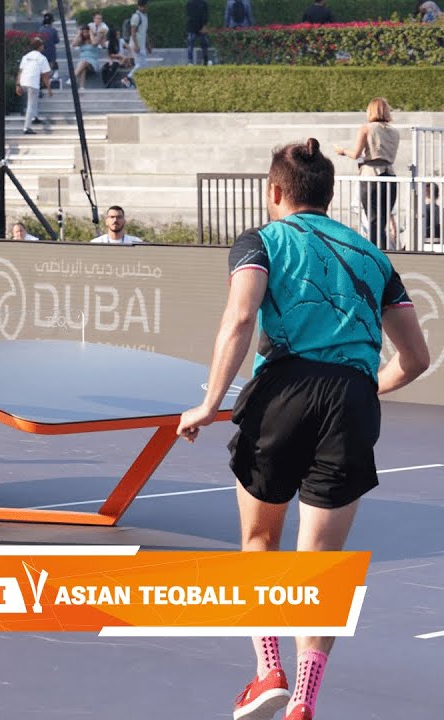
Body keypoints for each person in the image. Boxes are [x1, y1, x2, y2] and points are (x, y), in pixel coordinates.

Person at [177, 138, 430, 720]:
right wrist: (365, 387)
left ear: (274, 192)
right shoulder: (372, 257)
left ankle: (268, 668)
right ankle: (304, 705)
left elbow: (242, 317)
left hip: (282, 397)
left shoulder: (261, 242)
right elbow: (415, 359)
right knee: (318, 565)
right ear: (330, 194)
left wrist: (210, 402)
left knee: (260, 540)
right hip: (350, 404)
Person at [334, 97, 400, 249]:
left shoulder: (367, 128)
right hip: (390, 175)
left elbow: (356, 154)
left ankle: (373, 255)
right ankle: (383, 253)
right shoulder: (394, 132)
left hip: (371, 175)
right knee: (382, 222)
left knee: (372, 219)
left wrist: (342, 151)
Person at [16, 37, 52, 136]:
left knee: (33, 100)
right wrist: (49, 88)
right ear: (40, 47)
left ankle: (35, 117)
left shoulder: (26, 56)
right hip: (32, 83)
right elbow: (45, 75)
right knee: (31, 105)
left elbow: (20, 71)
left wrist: (18, 85)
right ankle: (26, 127)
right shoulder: (42, 58)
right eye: (42, 45)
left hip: (23, 81)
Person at [127, 1, 152, 83]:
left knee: (143, 65)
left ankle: (138, 83)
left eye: (144, 6)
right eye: (141, 6)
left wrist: (148, 45)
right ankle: (127, 79)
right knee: (139, 64)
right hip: (136, 45)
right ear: (138, 6)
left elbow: (144, 32)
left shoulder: (145, 16)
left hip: (142, 45)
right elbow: (133, 32)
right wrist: (136, 45)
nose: (143, 8)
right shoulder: (136, 17)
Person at [36, 13, 61, 87]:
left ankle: (43, 84)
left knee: (42, 68)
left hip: (42, 51)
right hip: (51, 52)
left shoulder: (40, 30)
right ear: (51, 21)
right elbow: (57, 40)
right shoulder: (53, 30)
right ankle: (48, 83)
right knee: (49, 67)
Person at [186, 0, 210, 65]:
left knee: (203, 44)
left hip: (198, 26)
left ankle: (204, 60)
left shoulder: (203, 3)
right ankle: (190, 61)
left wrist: (204, 25)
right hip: (194, 26)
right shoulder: (191, 3)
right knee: (192, 44)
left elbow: (206, 15)